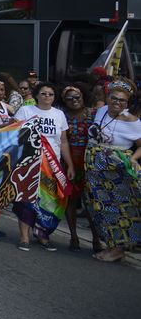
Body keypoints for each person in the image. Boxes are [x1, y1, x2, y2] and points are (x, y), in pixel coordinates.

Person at [13, 81, 74, 252]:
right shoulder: (26, 110)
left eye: (51, 94)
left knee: (49, 201)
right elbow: (15, 133)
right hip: (29, 163)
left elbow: (63, 141)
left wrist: (69, 165)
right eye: (44, 93)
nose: (47, 97)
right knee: (26, 200)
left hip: (52, 166)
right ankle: (24, 236)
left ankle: (42, 234)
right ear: (36, 95)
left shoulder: (59, 114)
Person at [85, 79, 141, 262]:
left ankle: (117, 249)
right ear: (108, 98)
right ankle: (112, 246)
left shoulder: (133, 121)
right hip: (95, 169)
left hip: (115, 172)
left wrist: (133, 158)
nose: (117, 102)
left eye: (122, 100)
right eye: (114, 98)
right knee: (99, 208)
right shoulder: (101, 111)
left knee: (118, 209)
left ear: (127, 103)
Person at [60, 83, 96, 252]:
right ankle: (74, 236)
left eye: (77, 97)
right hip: (69, 162)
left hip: (91, 162)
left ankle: (97, 238)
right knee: (71, 200)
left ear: (83, 97)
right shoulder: (62, 116)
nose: (74, 101)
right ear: (64, 101)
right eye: (69, 98)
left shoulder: (94, 114)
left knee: (91, 202)